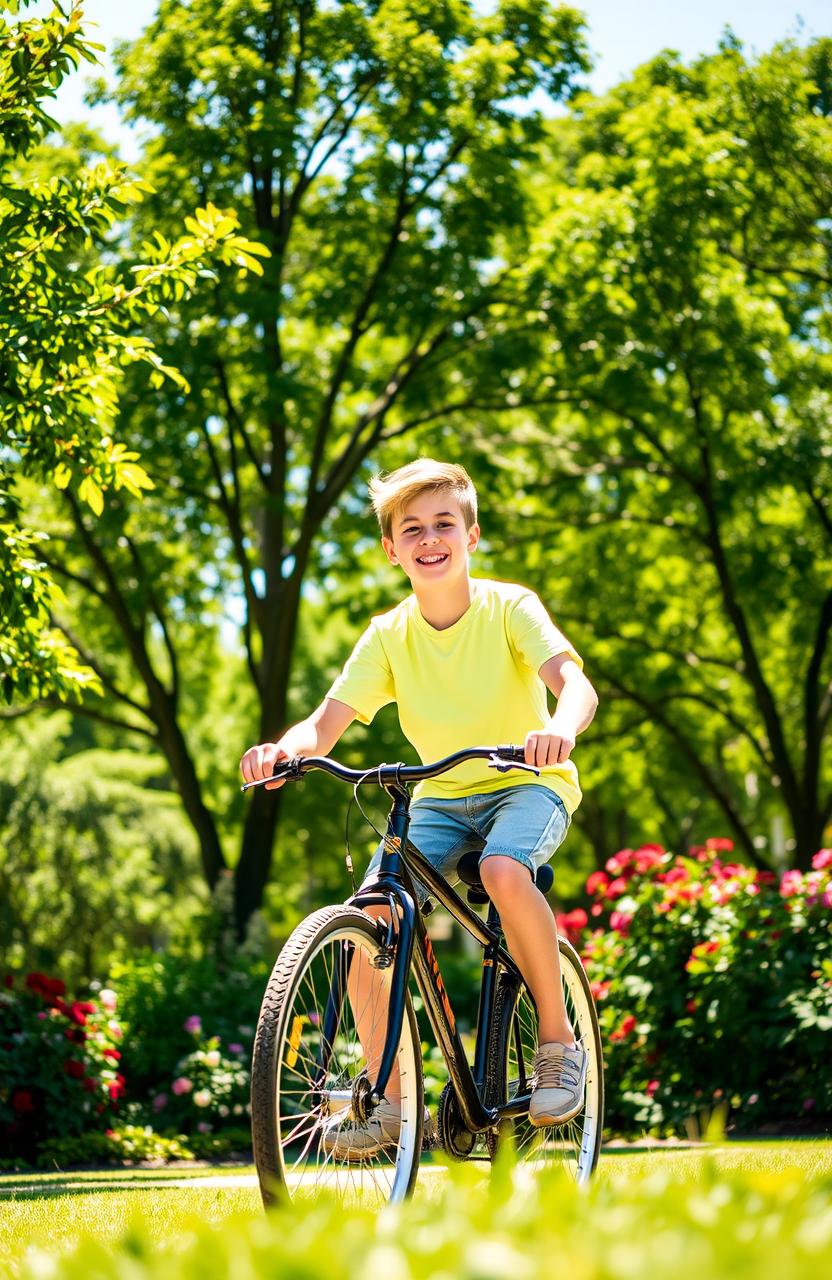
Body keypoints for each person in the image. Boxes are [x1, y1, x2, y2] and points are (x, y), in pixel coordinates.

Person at [240, 458, 598, 1154]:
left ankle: (558, 1041)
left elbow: (573, 683)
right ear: (391, 548)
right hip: (438, 798)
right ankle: (389, 1101)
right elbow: (324, 723)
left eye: (443, 524)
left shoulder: (509, 608)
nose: (429, 538)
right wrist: (283, 750)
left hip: (527, 783)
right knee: (373, 914)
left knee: (501, 872)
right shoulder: (388, 635)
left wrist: (560, 727)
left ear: (471, 535)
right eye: (412, 529)